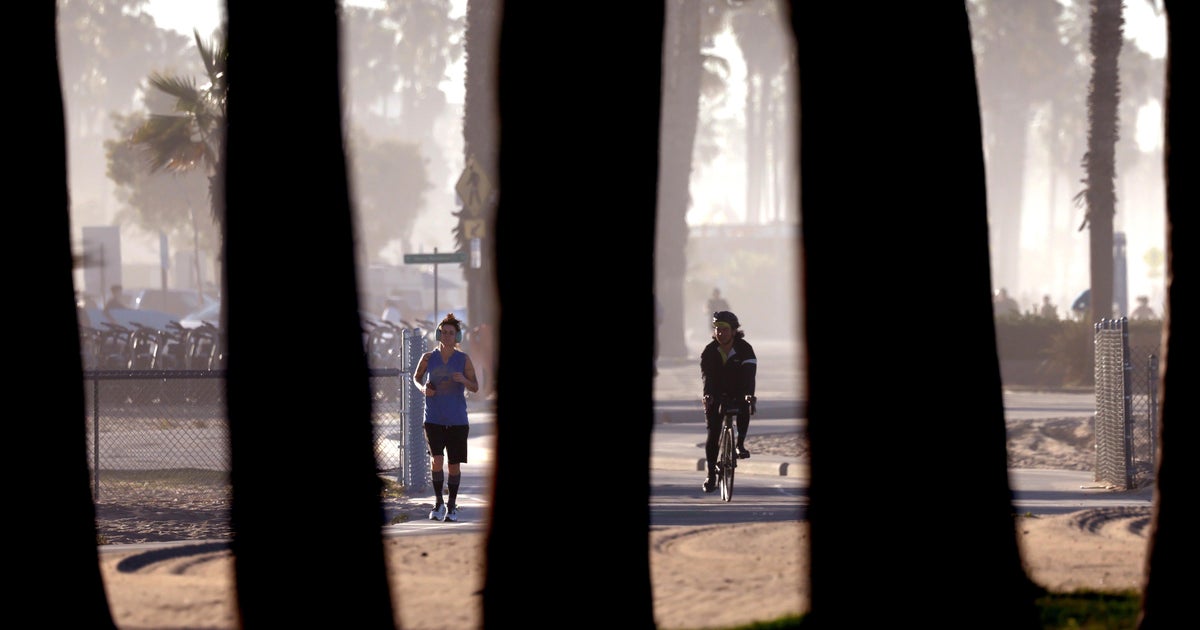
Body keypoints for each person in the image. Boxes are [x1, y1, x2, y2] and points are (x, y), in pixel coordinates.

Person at [411, 313, 479, 522]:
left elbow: (475, 387)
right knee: (437, 460)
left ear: (456, 336)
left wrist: (464, 380)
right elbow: (416, 377)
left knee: (454, 465)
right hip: (433, 417)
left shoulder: (463, 359)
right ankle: (438, 503)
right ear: (439, 334)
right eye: (444, 332)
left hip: (458, 419)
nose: (447, 336)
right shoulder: (428, 357)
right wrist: (423, 389)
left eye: (451, 333)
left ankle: (452, 507)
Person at [699, 310, 757, 493]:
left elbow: (750, 376)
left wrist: (749, 394)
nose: (720, 333)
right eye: (717, 329)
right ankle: (711, 474)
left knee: (745, 405)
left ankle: (739, 444)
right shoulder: (709, 351)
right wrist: (708, 395)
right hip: (716, 392)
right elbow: (707, 376)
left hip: (738, 390)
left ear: (734, 331)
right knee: (713, 432)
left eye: (724, 329)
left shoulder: (745, 349)